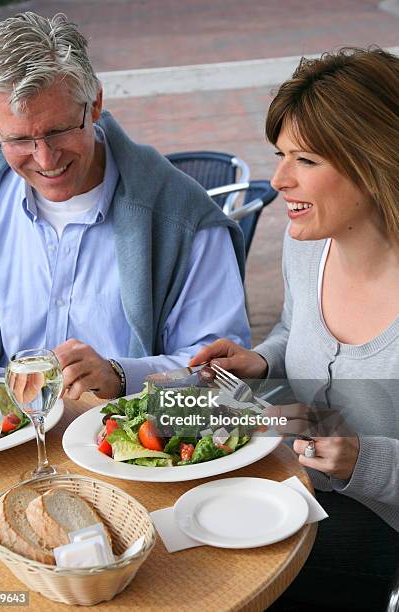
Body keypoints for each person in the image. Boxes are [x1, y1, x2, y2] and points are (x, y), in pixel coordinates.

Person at [191, 47, 399, 610]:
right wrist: (260, 363)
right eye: (280, 156)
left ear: (374, 160)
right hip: (299, 493)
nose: (279, 179)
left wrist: (364, 461)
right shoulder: (306, 245)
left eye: (304, 160)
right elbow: (292, 327)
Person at [0, 12, 250, 400]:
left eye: (59, 131)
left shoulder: (185, 219)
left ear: (95, 103)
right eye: (18, 140)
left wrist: (121, 376)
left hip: (129, 451)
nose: (45, 160)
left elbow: (224, 376)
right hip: (6, 448)